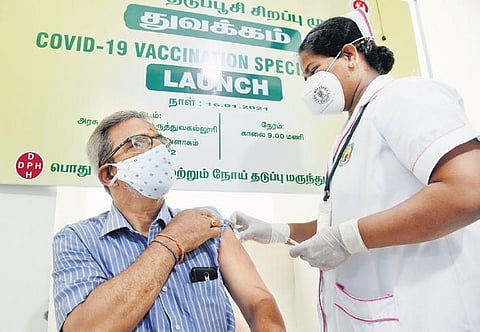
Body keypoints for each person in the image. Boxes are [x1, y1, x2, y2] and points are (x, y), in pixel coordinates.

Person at [231, 8, 480, 332]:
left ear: (349, 56)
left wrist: (347, 239)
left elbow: (469, 190)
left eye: (314, 71)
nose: (309, 87)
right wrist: (278, 231)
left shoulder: (405, 96)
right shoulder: (357, 126)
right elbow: (341, 224)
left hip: (426, 311)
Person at [52, 110, 286, 332]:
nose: (158, 149)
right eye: (139, 142)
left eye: (158, 139)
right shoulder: (77, 240)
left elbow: (258, 300)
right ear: (109, 173)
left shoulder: (208, 223)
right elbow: (86, 327)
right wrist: (172, 241)